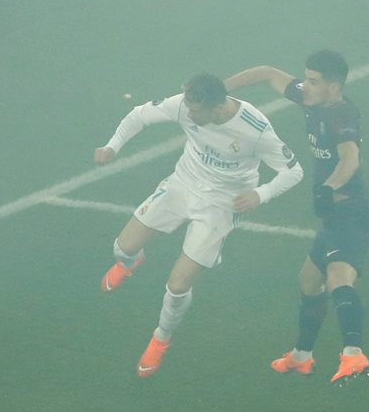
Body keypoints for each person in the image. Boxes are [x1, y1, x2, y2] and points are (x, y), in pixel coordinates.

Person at [95, 73, 303, 377]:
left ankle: (160, 339)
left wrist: (261, 194)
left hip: (222, 203)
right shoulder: (185, 105)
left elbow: (293, 171)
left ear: (218, 108)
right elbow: (139, 115)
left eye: (195, 111)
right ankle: (130, 263)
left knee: (178, 285)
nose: (188, 115)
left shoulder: (255, 130)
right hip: (182, 185)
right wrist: (112, 146)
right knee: (122, 247)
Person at [225, 50, 369, 386]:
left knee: (339, 277)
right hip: (335, 215)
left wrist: (327, 188)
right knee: (309, 280)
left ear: (334, 87)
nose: (304, 86)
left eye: (313, 81)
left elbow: (350, 159)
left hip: (352, 211)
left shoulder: (341, 115)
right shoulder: (312, 99)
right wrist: (222, 88)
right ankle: (302, 356)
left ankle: (354, 353)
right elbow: (266, 70)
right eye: (305, 78)